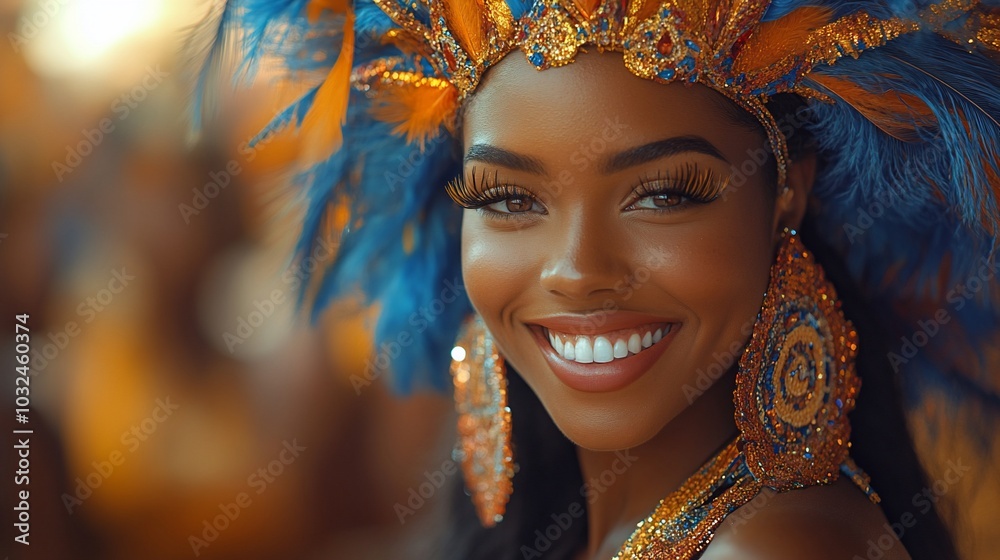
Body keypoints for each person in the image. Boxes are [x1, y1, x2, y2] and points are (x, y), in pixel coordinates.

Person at [195, 0, 1000, 558]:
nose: (577, 272)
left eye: (663, 194)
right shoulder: (578, 528)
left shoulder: (781, 548)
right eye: (510, 198)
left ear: (786, 190)